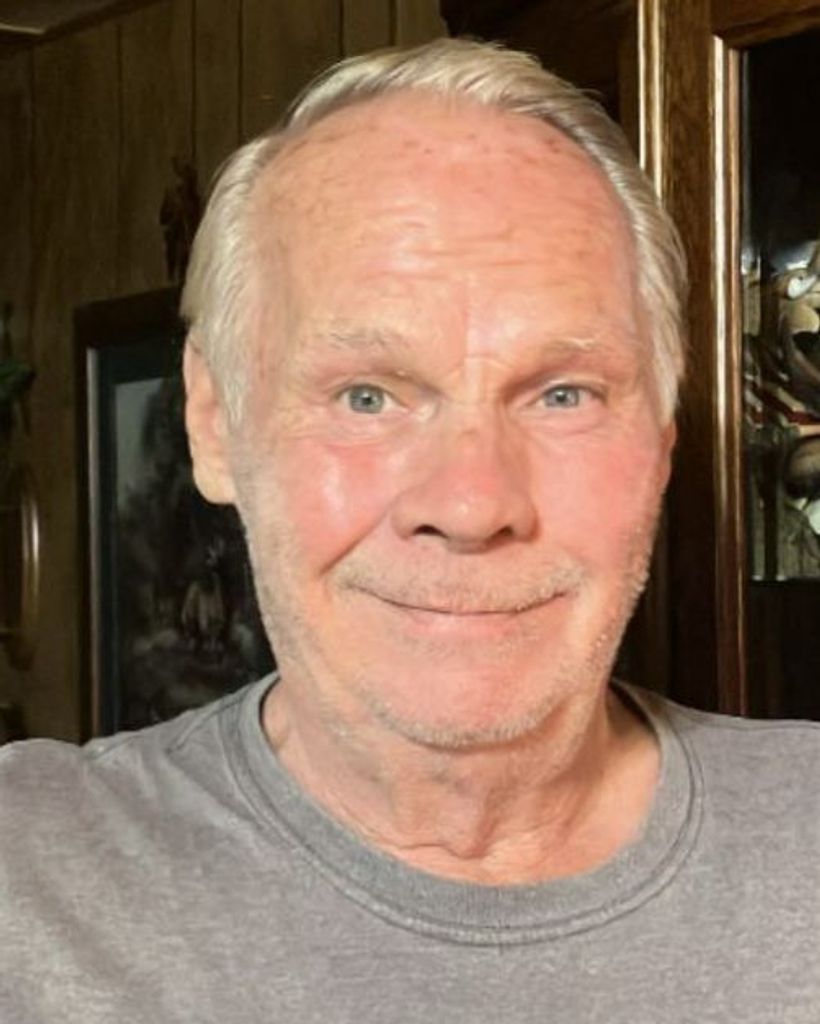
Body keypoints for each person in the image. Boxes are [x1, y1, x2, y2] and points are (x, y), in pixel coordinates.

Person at [2, 38, 819, 1023]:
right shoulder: (26, 882)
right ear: (215, 425)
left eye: (563, 393)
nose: (470, 505)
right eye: (367, 396)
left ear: (660, 441)